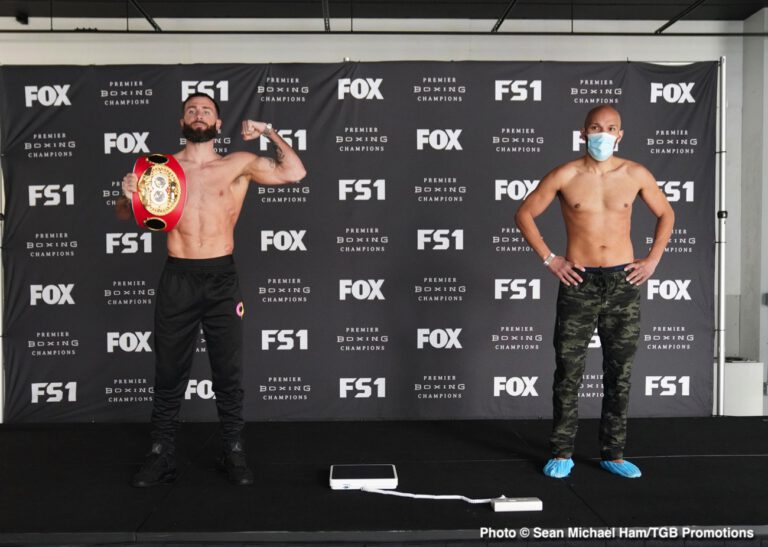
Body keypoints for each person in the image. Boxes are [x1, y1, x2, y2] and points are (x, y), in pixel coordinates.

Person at [117, 92, 307, 487]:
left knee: (228, 370)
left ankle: (233, 450)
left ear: (219, 124)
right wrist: (128, 193)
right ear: (182, 121)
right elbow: (128, 216)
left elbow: (295, 173)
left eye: (206, 110)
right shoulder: (161, 170)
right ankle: (161, 453)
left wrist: (269, 131)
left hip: (221, 278)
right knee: (169, 371)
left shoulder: (237, 164)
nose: (198, 115)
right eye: (191, 110)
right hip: (178, 278)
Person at [514, 105, 674, 479]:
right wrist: (551, 259)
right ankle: (562, 451)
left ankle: (613, 453)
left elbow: (666, 213)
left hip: (623, 282)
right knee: (568, 371)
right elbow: (524, 213)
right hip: (579, 282)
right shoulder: (565, 174)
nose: (603, 133)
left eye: (611, 128)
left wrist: (651, 261)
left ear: (621, 134)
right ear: (583, 132)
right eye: (596, 127)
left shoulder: (635, 173)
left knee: (619, 371)